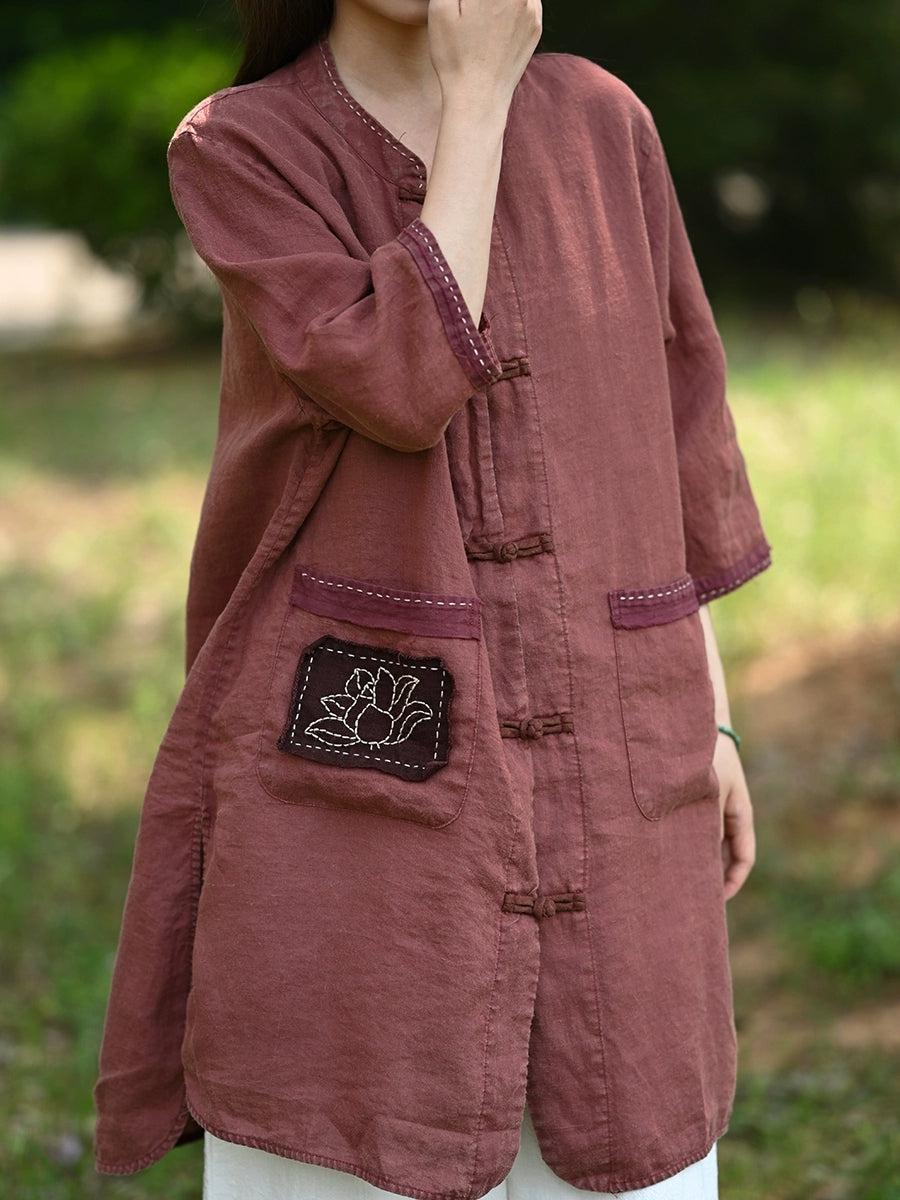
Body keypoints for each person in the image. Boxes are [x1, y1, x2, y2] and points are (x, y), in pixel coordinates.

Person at [94, 1, 771, 1197]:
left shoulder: (606, 122)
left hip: (617, 742)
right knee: (363, 1108)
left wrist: (708, 716)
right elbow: (399, 378)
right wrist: (478, 101)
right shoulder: (242, 146)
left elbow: (675, 438)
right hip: (355, 761)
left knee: (624, 1098)